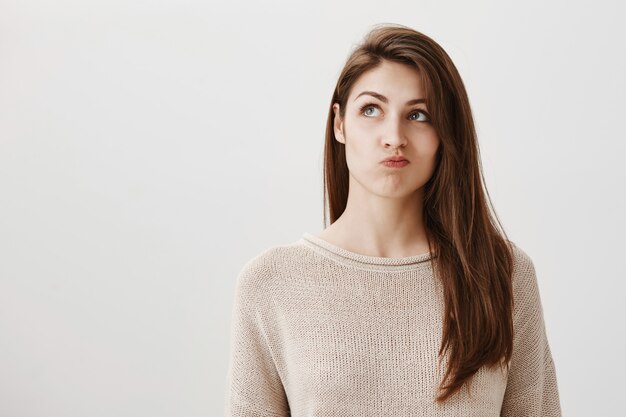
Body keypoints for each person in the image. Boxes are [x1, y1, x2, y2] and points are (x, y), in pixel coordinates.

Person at [224, 23, 562, 416]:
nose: (394, 136)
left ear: (445, 134)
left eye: (418, 115)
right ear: (339, 124)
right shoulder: (271, 283)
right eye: (371, 110)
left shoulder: (501, 274)